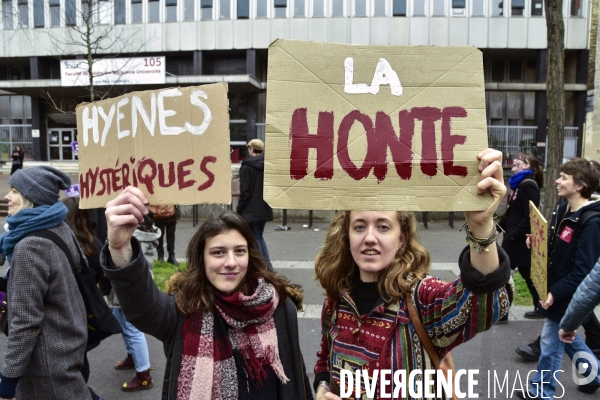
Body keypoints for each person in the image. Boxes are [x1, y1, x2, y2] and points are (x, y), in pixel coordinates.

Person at [313, 149, 513, 400]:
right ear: (347, 236)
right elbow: (324, 360)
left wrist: (481, 228)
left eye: (383, 227)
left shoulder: (421, 298)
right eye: (359, 227)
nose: (370, 238)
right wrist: (322, 389)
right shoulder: (336, 300)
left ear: (401, 239)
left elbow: (482, 303)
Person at [101, 189, 313, 400]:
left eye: (239, 251)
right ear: (201, 258)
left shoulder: (279, 307)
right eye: (218, 252)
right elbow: (143, 309)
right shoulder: (185, 309)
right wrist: (120, 249)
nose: (231, 263)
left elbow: (297, 379)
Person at [0, 166, 92, 399]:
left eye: (13, 191)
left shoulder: (29, 246)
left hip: (46, 367)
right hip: (68, 348)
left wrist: (8, 381)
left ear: (30, 198)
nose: (6, 197)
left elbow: (25, 323)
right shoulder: (59, 227)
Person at [516, 158, 600, 398]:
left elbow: (584, 271)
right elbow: (556, 250)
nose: (557, 180)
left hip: (569, 294)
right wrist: (538, 243)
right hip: (556, 289)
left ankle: (541, 391)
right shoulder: (563, 209)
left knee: (551, 342)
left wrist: (555, 292)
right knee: (568, 337)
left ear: (580, 185)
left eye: (564, 177)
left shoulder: (592, 222)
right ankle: (594, 375)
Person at [109, 212, 159, 392]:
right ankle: (133, 357)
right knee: (124, 325)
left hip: (130, 290)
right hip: (130, 288)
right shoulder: (144, 234)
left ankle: (144, 375)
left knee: (132, 330)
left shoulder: (133, 238)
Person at [62, 196, 105, 393]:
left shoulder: (56, 242)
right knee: (80, 360)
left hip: (62, 313)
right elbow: (103, 271)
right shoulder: (92, 242)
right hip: (85, 313)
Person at [499, 152, 544, 320]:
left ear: (527, 166)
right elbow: (511, 212)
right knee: (527, 273)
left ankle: (503, 313)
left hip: (518, 240)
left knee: (505, 274)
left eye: (520, 160)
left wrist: (512, 235)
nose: (515, 161)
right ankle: (541, 306)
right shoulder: (519, 185)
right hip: (514, 239)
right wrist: (499, 228)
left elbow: (531, 215)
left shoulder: (528, 185)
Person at [237, 139, 273, 265]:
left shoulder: (246, 167)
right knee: (259, 235)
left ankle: (262, 266)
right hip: (264, 207)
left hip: (250, 209)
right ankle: (267, 265)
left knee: (255, 237)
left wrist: (239, 210)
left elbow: (244, 192)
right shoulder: (268, 166)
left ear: (251, 149)